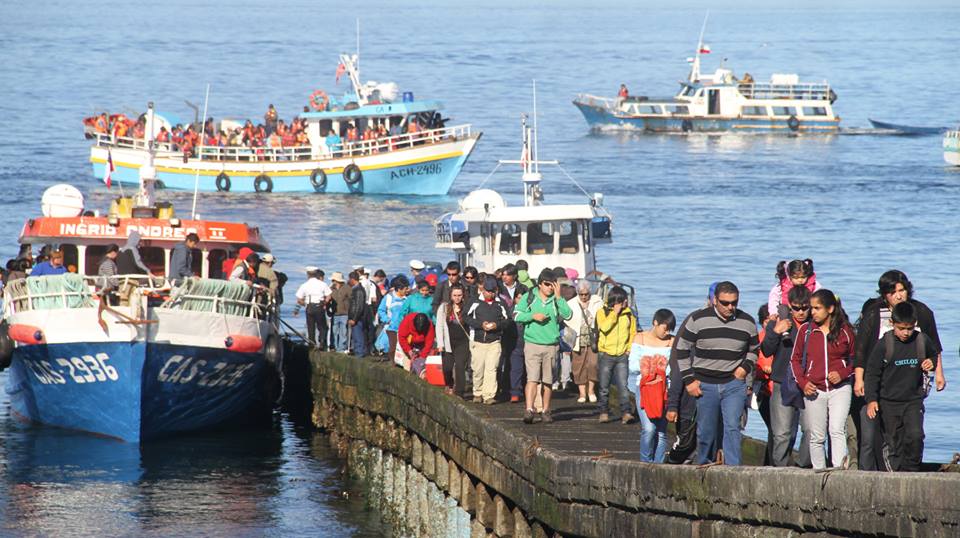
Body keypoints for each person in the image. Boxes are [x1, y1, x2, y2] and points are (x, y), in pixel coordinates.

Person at [854, 271, 945, 471]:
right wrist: (860, 380)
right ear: (884, 294)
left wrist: (938, 372)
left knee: (914, 434)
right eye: (893, 292)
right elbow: (861, 350)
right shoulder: (874, 313)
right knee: (885, 436)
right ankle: (885, 471)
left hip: (912, 386)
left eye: (902, 290)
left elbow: (934, 347)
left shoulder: (921, 312)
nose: (899, 295)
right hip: (883, 385)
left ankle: (910, 470)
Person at [675, 281, 758, 466]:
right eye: (725, 303)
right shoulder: (697, 320)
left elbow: (754, 350)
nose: (730, 307)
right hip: (704, 385)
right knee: (706, 431)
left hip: (733, 384)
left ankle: (734, 471)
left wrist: (744, 368)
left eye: (734, 302)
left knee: (733, 428)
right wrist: (689, 380)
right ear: (715, 301)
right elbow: (681, 350)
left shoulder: (747, 322)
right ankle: (704, 466)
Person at [864, 301, 938, 472]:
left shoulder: (921, 340)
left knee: (915, 436)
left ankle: (912, 471)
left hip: (913, 400)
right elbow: (872, 373)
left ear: (915, 325)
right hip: (888, 402)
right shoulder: (885, 344)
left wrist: (931, 362)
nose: (906, 333)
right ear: (892, 323)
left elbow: (934, 354)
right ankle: (894, 473)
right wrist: (872, 400)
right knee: (893, 441)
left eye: (910, 328)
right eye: (901, 328)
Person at [790, 289, 855, 470]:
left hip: (840, 389)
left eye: (817, 308)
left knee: (837, 429)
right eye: (812, 308)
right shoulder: (806, 330)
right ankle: (818, 472)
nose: (812, 312)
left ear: (830, 309)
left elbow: (856, 359)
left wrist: (842, 373)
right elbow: (794, 360)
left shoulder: (845, 331)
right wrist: (803, 383)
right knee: (817, 435)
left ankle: (839, 471)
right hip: (814, 390)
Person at [761, 286, 812, 467]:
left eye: (805, 308)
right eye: (796, 308)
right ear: (789, 305)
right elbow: (766, 350)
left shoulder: (815, 324)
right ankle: (779, 470)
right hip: (782, 381)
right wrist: (775, 332)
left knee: (810, 430)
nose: (800, 312)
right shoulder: (780, 322)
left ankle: (805, 466)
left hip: (809, 383)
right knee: (782, 433)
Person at [514, 268, 572, 424]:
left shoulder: (556, 299)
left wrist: (559, 298)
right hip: (532, 344)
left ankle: (546, 410)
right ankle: (529, 409)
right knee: (532, 379)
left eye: (553, 285)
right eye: (547, 284)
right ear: (540, 284)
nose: (550, 288)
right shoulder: (529, 297)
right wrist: (532, 316)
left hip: (551, 345)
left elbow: (568, 315)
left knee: (547, 381)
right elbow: (516, 315)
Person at [630, 309, 676, 462]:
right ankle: (645, 462)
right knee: (649, 429)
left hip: (665, 388)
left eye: (670, 328)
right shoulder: (640, 338)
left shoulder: (671, 341)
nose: (667, 331)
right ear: (655, 323)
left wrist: (657, 367)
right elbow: (633, 365)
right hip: (644, 387)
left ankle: (659, 464)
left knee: (661, 431)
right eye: (665, 327)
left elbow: (673, 367)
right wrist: (652, 366)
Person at [595, 286, 637, 424]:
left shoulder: (629, 314)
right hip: (606, 354)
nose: (626, 302)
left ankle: (626, 413)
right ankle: (603, 412)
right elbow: (604, 328)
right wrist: (615, 313)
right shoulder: (602, 312)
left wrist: (628, 349)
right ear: (616, 301)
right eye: (624, 300)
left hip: (622, 355)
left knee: (623, 386)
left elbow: (632, 333)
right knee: (604, 386)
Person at [465, 277, 509, 404]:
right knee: (478, 368)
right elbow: (465, 317)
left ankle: (489, 395)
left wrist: (497, 325)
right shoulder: (474, 301)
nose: (490, 294)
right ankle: (477, 392)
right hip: (478, 341)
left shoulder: (500, 303)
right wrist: (480, 324)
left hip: (494, 341)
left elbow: (508, 320)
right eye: (488, 291)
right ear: (483, 290)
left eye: (493, 291)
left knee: (492, 368)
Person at [565, 281, 602, 404]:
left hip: (593, 338)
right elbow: (567, 320)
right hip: (577, 338)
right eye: (581, 294)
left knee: (593, 364)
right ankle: (582, 393)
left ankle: (591, 391)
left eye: (586, 294)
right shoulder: (571, 304)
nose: (584, 297)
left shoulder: (597, 301)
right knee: (578, 366)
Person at [435, 283, 471, 398]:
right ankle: (449, 384)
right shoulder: (444, 307)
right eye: (455, 295)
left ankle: (459, 392)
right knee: (447, 368)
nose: (457, 298)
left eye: (459, 295)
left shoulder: (467, 307)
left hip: (463, 342)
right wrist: (440, 343)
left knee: (460, 366)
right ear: (450, 295)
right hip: (448, 342)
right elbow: (439, 326)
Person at [294, 267, 332, 349]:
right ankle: (322, 343)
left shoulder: (304, 285)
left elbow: (299, 299)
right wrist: (325, 302)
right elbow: (329, 296)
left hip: (309, 307)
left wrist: (305, 304)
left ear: (308, 274)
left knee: (310, 327)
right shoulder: (322, 284)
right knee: (322, 326)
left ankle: (311, 344)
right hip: (319, 306)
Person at [377, 275, 410, 360]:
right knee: (390, 346)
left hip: (403, 328)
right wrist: (387, 320)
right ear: (399, 289)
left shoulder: (407, 299)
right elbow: (381, 310)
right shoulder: (388, 298)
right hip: (390, 328)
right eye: (405, 289)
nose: (407, 290)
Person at [347, 271, 369, 356]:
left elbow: (359, 306)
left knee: (358, 336)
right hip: (356, 317)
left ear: (352, 279)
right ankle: (358, 352)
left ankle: (360, 353)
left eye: (349, 279)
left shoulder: (358, 290)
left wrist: (354, 318)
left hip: (357, 318)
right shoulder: (356, 289)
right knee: (356, 336)